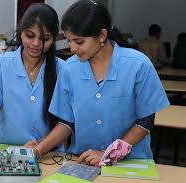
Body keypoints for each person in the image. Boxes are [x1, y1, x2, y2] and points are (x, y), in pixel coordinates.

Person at [30, 0, 169, 166]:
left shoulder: (138, 65)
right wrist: (37, 150)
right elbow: (67, 123)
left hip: (130, 163)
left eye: (79, 41)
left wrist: (109, 154)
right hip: (82, 161)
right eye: (69, 41)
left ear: (102, 35)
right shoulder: (69, 69)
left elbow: (145, 121)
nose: (72, 48)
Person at [0, 3, 64, 166]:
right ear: (21, 32)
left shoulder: (63, 70)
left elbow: (65, 124)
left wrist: (37, 149)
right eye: (30, 35)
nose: (35, 44)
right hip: (6, 152)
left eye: (44, 39)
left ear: (54, 38)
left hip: (49, 155)